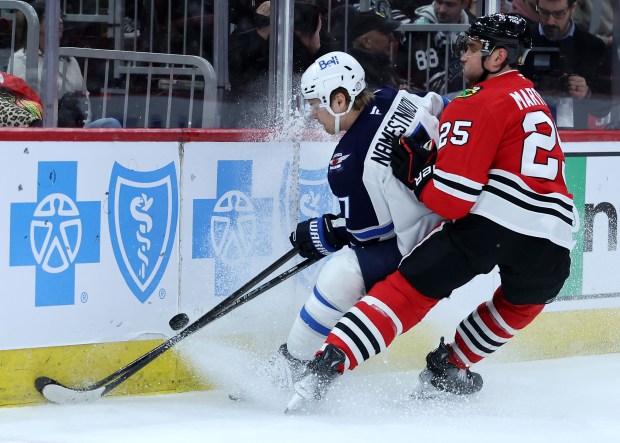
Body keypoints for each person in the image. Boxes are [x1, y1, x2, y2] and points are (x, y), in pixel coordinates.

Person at [286, 13, 574, 413]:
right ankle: (450, 366)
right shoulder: (535, 98)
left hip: (488, 224)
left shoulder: (476, 103)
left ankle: (328, 362)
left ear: (498, 57)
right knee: (522, 300)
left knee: (407, 290)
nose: (462, 57)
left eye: (471, 48)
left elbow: (451, 202)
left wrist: (420, 175)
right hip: (553, 237)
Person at [264, 50, 448, 390]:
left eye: (315, 105)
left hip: (429, 239)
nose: (312, 115)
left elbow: (368, 235)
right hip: (453, 211)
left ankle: (292, 365)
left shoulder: (347, 163)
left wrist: (327, 232)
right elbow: (442, 105)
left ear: (339, 99)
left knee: (342, 273)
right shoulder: (390, 96)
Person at [519, 0, 612, 129]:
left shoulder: (593, 48)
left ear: (573, 7)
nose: (551, 21)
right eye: (544, 12)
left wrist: (587, 94)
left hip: (575, 137)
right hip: (526, 132)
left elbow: (605, 107)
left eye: (558, 14)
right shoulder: (520, 43)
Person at [10, 0, 84, 95]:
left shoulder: (70, 59)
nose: (60, 21)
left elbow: (83, 97)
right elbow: (20, 100)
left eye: (61, 17)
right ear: (36, 23)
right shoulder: (20, 59)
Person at [406, 0, 476, 95]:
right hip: (425, 96)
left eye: (450, 4)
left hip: (460, 91)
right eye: (439, 2)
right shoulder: (420, 26)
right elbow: (433, 84)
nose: (442, 9)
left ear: (465, 4)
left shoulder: (473, 25)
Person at [331, 7, 407, 90]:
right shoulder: (355, 71)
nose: (392, 37)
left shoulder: (381, 65)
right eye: (385, 33)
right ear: (366, 42)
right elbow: (373, 100)